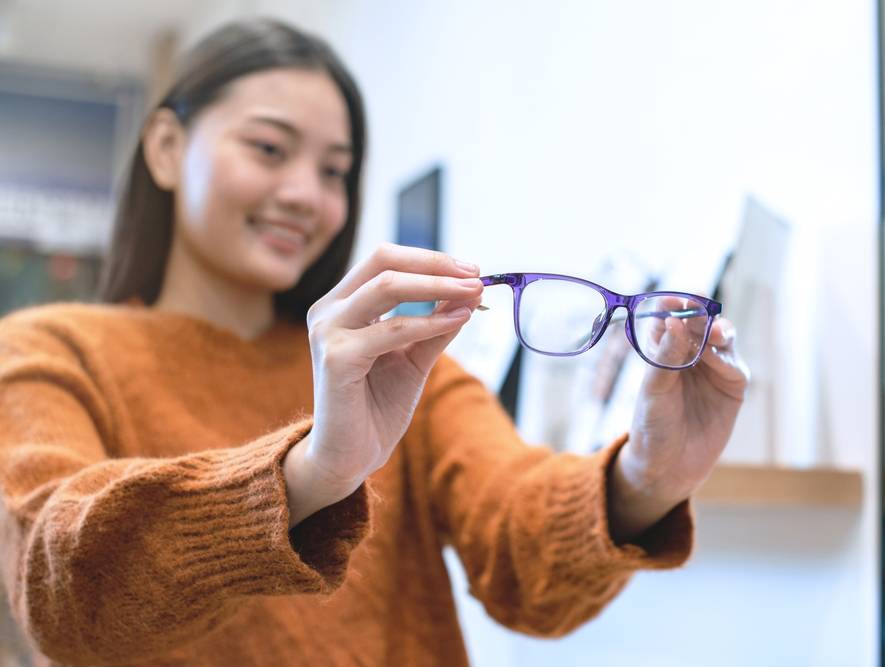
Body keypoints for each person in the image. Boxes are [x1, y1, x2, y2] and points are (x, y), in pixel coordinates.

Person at [0, 18, 749, 667]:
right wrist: (308, 474)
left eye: (335, 171)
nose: (306, 193)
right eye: (268, 149)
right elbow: (64, 589)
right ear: (165, 147)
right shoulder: (49, 351)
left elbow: (525, 562)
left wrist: (646, 479)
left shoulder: (393, 364)